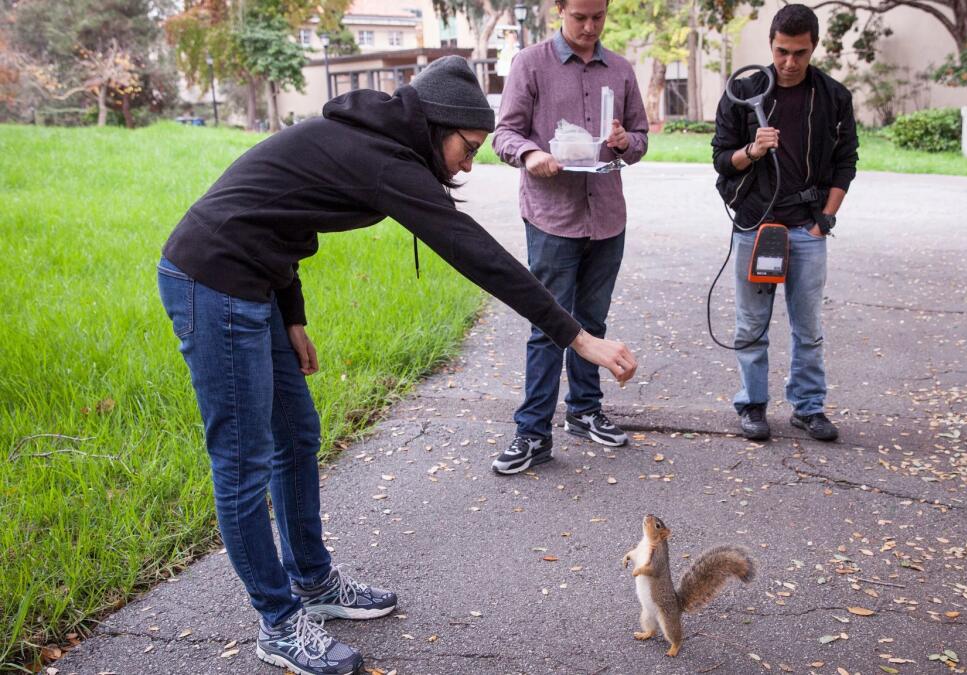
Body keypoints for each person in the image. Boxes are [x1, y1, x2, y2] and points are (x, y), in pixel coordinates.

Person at [156, 55, 636, 675]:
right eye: (469, 146)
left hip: (256, 283)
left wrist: (292, 315)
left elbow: (279, 216)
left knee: (297, 434)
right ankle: (278, 622)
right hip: (211, 281)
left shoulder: (380, 144)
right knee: (244, 459)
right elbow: (474, 252)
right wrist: (577, 337)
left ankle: (312, 584)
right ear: (438, 124)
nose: (471, 161)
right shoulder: (381, 157)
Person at [491, 0, 650, 475]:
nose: (588, 27)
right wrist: (529, 154)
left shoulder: (620, 69)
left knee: (592, 321)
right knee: (548, 327)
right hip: (551, 216)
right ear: (559, 8)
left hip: (606, 216)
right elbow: (504, 134)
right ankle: (533, 433)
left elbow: (640, 137)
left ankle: (584, 411)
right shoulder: (530, 64)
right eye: (579, 17)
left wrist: (626, 143)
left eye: (597, 17)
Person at [711, 4, 859, 442]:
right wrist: (753, 151)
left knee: (808, 327)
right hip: (755, 226)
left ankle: (809, 408)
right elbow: (721, 160)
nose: (789, 62)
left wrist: (824, 220)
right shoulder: (744, 92)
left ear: (814, 47)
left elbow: (845, 164)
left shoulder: (833, 96)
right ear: (770, 44)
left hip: (806, 228)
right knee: (751, 325)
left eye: (800, 52)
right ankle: (752, 405)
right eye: (781, 51)